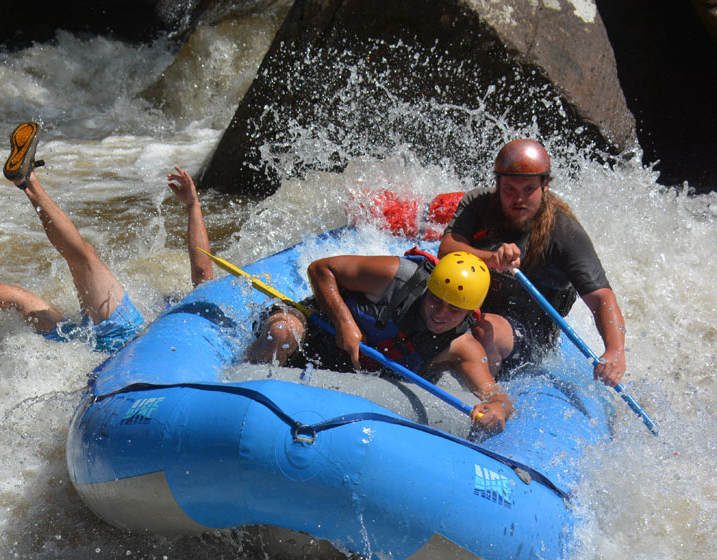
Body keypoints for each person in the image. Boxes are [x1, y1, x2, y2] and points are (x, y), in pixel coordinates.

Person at [0, 122, 211, 352]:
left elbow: (201, 271)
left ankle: (26, 179)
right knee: (19, 299)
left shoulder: (207, 311)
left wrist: (193, 206)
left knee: (82, 257)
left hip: (121, 332)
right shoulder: (205, 329)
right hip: (85, 347)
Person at [248, 251, 513, 433]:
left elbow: (496, 395)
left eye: (453, 310)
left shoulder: (461, 346)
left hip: (348, 372)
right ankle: (242, 385)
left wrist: (497, 410)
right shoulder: (396, 277)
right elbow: (320, 269)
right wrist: (344, 322)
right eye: (435, 299)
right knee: (282, 331)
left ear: (469, 313)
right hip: (317, 330)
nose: (440, 313)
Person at [438, 138, 626, 385]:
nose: (519, 199)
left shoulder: (564, 233)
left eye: (529, 189)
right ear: (498, 184)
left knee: (484, 330)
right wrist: (490, 259)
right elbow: (447, 249)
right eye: (510, 190)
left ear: (545, 185)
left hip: (528, 331)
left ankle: (482, 396)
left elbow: (602, 297)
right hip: (469, 306)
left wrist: (615, 351)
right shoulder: (479, 204)